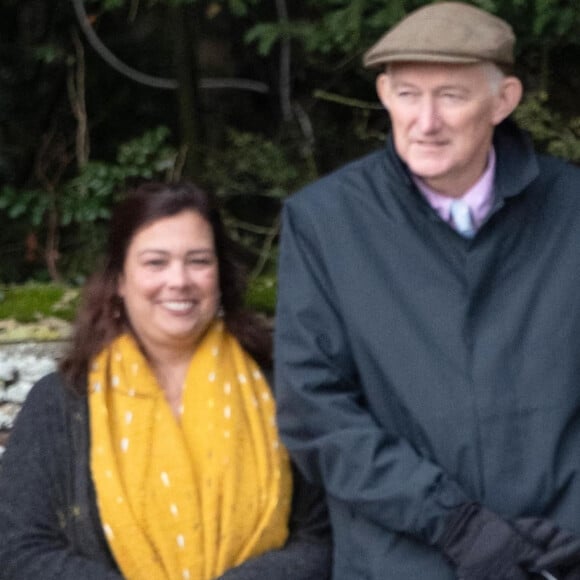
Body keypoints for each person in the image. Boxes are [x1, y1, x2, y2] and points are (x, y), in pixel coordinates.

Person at [274, 2, 580, 579]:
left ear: (504, 100)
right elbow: (314, 413)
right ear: (385, 95)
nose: (426, 120)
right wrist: (455, 523)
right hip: (400, 562)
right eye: (408, 94)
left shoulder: (572, 214)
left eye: (452, 96)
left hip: (558, 558)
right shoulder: (327, 223)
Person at [0, 181, 331, 580]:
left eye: (198, 261)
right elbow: (19, 549)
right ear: (120, 279)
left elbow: (321, 536)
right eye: (156, 262)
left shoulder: (282, 389)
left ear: (220, 275)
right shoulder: (61, 402)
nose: (179, 280)